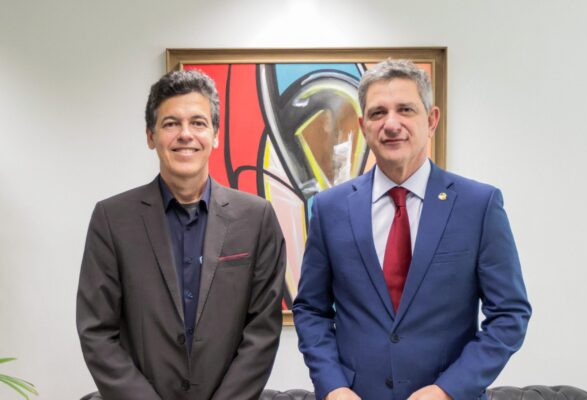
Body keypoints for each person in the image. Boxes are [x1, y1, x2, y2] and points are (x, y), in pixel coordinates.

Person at [293, 59, 532, 400]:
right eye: (378, 113)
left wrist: (449, 389)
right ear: (363, 126)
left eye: (405, 109)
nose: (391, 124)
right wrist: (333, 386)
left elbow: (509, 314)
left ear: (431, 120)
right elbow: (311, 311)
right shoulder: (330, 208)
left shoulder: (479, 205)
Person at [76, 70, 286, 400]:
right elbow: (97, 331)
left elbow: (262, 330)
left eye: (198, 123)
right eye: (171, 123)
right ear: (151, 136)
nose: (185, 134)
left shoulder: (256, 218)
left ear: (215, 135)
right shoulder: (112, 219)